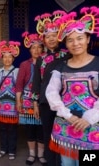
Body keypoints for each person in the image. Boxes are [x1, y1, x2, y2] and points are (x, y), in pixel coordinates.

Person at [45, 7, 99, 166]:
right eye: (70, 40)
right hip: (65, 126)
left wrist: (90, 118)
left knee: (87, 162)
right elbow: (51, 93)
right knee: (67, 163)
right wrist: (68, 115)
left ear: (88, 39)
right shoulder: (60, 67)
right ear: (66, 44)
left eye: (80, 38)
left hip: (92, 128)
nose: (75, 43)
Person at [32, 10, 69, 166]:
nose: (51, 39)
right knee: (48, 133)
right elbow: (37, 81)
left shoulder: (67, 55)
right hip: (46, 103)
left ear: (59, 37)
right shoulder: (41, 59)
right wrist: (35, 103)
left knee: (64, 134)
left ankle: (64, 161)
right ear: (44, 39)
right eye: (48, 36)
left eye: (54, 35)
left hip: (66, 102)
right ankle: (50, 161)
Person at [15, 32, 47, 165]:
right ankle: (32, 154)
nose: (36, 50)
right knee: (30, 129)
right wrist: (18, 101)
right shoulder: (24, 64)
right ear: (29, 50)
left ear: (43, 49)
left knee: (42, 129)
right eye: (33, 47)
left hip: (43, 100)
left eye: (39, 47)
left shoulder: (47, 63)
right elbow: (19, 84)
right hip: (27, 101)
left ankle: (41, 155)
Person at [0, 40, 20, 160]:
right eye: (5, 57)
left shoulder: (17, 71)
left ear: (13, 59)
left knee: (13, 129)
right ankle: (3, 148)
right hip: (1, 105)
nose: (7, 59)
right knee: (3, 128)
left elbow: (19, 88)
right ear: (2, 58)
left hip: (13, 105)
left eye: (10, 57)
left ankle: (12, 150)